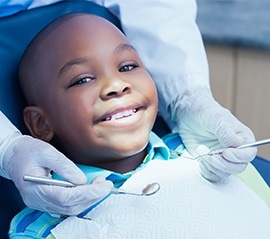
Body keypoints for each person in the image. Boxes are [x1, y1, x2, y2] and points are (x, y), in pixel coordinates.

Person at [8, 13, 270, 239]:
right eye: (83, 79)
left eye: (128, 66)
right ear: (41, 124)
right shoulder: (41, 227)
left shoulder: (212, 156)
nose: (116, 85)